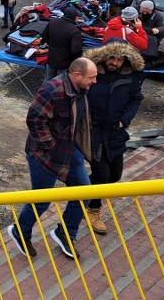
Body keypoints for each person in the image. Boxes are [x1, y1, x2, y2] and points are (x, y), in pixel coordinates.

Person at [7, 57, 97, 260]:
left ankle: (65, 233)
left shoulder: (82, 89)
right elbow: (34, 119)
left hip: (69, 150)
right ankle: (20, 232)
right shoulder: (52, 90)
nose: (95, 81)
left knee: (85, 192)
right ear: (77, 75)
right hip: (44, 155)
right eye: (92, 77)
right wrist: (51, 146)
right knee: (41, 200)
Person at [82, 42, 144, 235]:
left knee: (114, 176)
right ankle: (93, 209)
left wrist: (125, 120)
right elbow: (77, 94)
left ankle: (80, 191)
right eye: (111, 58)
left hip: (115, 132)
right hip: (93, 131)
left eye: (119, 59)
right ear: (103, 56)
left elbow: (136, 98)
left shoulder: (130, 77)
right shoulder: (92, 74)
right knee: (102, 174)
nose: (115, 62)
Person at [43, 6, 84, 79]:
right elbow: (76, 50)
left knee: (48, 81)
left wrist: (51, 45)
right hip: (64, 63)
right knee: (60, 84)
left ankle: (45, 90)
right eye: (78, 17)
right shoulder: (74, 31)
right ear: (74, 17)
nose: (78, 19)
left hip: (51, 58)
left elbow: (44, 36)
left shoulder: (53, 21)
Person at [138, 0, 164, 64]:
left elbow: (163, 28)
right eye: (143, 12)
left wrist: (158, 30)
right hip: (143, 36)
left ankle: (153, 62)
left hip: (155, 37)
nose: (145, 14)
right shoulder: (138, 16)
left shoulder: (157, 16)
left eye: (147, 12)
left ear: (151, 10)